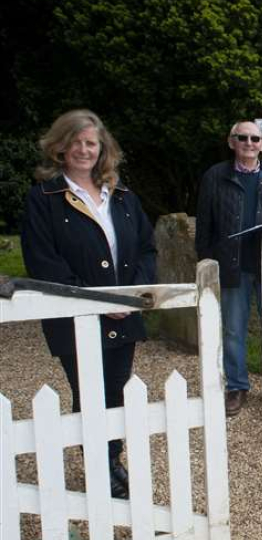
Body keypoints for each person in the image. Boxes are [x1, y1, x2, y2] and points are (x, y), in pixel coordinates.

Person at [21, 109, 157, 499]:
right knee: (90, 391)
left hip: (124, 314)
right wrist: (98, 301)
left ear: (103, 149)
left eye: (91, 143)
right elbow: (44, 262)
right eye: (76, 142)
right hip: (76, 317)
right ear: (61, 148)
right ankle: (103, 467)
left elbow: (147, 249)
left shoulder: (124, 197)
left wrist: (131, 295)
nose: (84, 150)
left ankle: (111, 462)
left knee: (116, 389)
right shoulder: (43, 198)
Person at [195, 120, 262, 417]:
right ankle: (237, 386)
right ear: (231, 142)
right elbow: (204, 225)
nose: (249, 143)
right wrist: (205, 263)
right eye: (242, 137)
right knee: (233, 330)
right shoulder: (215, 176)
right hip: (233, 266)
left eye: (255, 138)